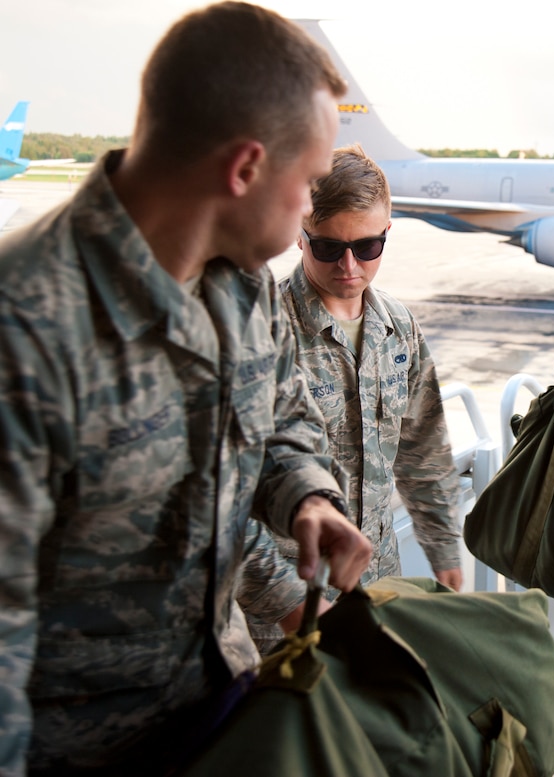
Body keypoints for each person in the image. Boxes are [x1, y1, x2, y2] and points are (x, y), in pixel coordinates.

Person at [0, 4, 373, 773]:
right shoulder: (27, 325)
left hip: (216, 712)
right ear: (243, 169)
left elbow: (281, 419)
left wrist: (306, 495)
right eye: (307, 183)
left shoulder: (246, 287)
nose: (311, 208)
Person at [245, 145, 464, 650]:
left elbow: (423, 449)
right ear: (300, 233)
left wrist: (445, 552)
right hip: (281, 609)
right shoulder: (265, 328)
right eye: (327, 248)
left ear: (387, 233)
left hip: (375, 588)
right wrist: (287, 601)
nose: (348, 265)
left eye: (367, 247)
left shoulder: (398, 328)